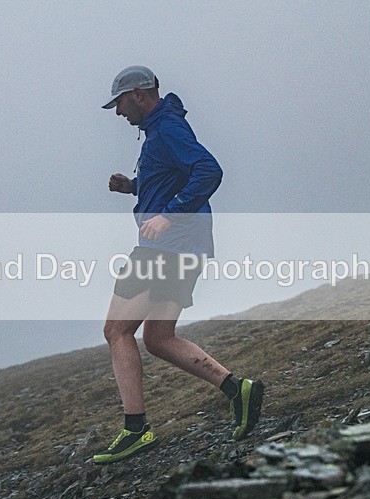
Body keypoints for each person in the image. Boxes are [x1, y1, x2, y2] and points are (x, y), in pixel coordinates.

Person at [93, 65, 264, 464]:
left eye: (120, 102)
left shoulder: (167, 128)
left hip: (167, 247)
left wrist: (169, 215)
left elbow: (209, 170)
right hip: (186, 247)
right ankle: (237, 388)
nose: (118, 112)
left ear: (139, 94)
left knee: (116, 330)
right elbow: (172, 176)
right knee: (157, 338)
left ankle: (136, 429)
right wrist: (133, 187)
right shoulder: (159, 130)